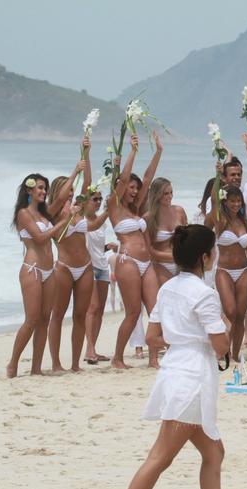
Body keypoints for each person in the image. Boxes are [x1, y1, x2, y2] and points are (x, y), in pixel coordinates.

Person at [120, 224, 229, 489]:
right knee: (160, 457)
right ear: (205, 257)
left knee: (215, 453)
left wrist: (181, 342)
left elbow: (152, 337)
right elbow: (222, 346)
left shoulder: (168, 288)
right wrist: (218, 332)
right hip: (192, 379)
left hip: (175, 371)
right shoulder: (204, 293)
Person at [46, 138, 109, 372]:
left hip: (85, 267)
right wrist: (74, 172)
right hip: (63, 267)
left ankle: (74, 364)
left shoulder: (79, 208)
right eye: (68, 191)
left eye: (72, 190)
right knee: (58, 315)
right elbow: (58, 234)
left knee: (81, 316)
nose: (71, 194)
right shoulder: (52, 214)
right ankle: (55, 363)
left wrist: (86, 153)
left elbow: (89, 183)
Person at [7, 173, 75, 378]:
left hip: (49, 271)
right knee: (32, 319)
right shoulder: (23, 214)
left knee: (45, 319)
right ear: (29, 190)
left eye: (45, 188)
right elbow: (40, 237)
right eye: (39, 188)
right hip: (32, 269)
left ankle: (36, 367)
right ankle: (13, 363)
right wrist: (64, 222)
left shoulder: (45, 214)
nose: (43, 191)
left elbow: (62, 197)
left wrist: (76, 172)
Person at [107, 132, 163, 369]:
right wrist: (133, 151)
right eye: (130, 187)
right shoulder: (113, 206)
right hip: (127, 261)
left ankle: (153, 358)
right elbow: (122, 180)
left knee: (156, 311)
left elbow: (149, 178)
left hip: (146, 262)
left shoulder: (136, 209)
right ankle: (117, 357)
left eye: (135, 188)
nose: (133, 191)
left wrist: (158, 151)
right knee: (132, 314)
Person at [215, 129, 247, 360]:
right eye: (232, 174)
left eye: (239, 173)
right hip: (224, 265)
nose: (236, 177)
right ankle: (223, 348)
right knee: (231, 312)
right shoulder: (218, 205)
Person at [205, 180, 247, 363]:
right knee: (230, 311)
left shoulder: (244, 222)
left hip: (244, 271)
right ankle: (224, 349)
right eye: (232, 201)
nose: (236, 204)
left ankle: (235, 354)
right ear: (225, 201)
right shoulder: (220, 220)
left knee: (240, 315)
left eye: (239, 201)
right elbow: (213, 204)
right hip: (224, 271)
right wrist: (217, 174)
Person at [84, 187, 114, 364]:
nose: (98, 202)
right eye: (94, 199)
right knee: (92, 308)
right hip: (89, 267)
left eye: (99, 199)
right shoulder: (81, 220)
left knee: (100, 311)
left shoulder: (101, 221)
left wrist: (107, 247)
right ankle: (89, 349)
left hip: (102, 266)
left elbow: (96, 247)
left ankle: (93, 347)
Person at [145, 177, 189, 285]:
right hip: (160, 266)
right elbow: (149, 250)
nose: (170, 196)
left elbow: (187, 239)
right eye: (165, 194)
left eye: (171, 192)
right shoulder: (148, 218)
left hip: (181, 265)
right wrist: (174, 256)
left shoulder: (179, 211)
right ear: (156, 195)